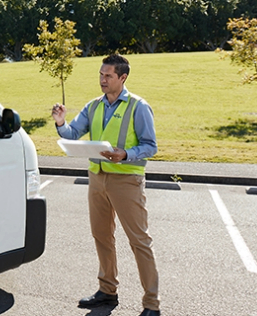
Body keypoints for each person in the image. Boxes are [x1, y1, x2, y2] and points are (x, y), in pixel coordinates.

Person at [51, 54, 160, 316]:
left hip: (126, 181)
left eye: (108, 75)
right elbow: (73, 134)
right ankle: (107, 291)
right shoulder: (93, 106)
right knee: (102, 237)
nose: (102, 79)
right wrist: (61, 122)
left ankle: (151, 304)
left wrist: (125, 154)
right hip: (97, 179)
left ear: (122, 78)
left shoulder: (138, 106)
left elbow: (151, 146)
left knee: (139, 242)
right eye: (101, 74)